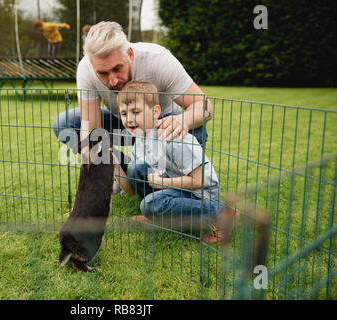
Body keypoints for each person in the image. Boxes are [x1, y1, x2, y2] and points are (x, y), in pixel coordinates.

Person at [53, 21, 214, 163]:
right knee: (66, 123)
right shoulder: (86, 68)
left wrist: (184, 120)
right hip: (122, 126)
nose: (113, 81)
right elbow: (91, 129)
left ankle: (167, 175)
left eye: (117, 68)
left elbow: (204, 106)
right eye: (102, 73)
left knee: (195, 128)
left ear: (130, 54)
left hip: (161, 128)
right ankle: (126, 173)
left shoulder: (158, 59)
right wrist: (96, 159)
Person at [114, 81, 228, 242]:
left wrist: (161, 183)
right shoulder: (139, 139)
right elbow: (131, 191)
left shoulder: (173, 138)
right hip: (171, 186)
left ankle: (221, 211)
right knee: (136, 168)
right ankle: (158, 215)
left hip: (199, 193)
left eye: (136, 112)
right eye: (125, 114)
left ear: (155, 112)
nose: (130, 119)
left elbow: (200, 181)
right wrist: (113, 166)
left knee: (150, 204)